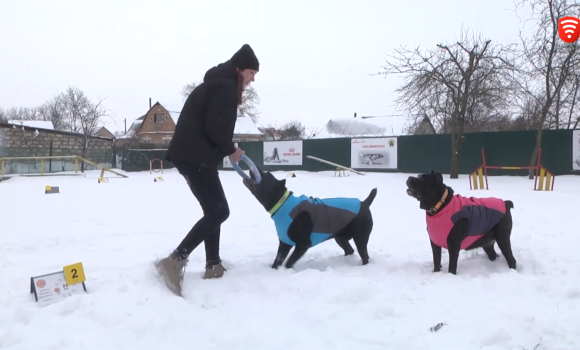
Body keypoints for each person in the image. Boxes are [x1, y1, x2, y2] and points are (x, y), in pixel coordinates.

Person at [155, 44, 259, 296]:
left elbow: (214, 125)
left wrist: (226, 147)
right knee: (219, 211)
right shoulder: (225, 86)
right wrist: (230, 149)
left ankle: (213, 264)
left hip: (196, 156)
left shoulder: (219, 84)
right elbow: (217, 127)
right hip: (195, 156)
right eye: (251, 73)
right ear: (240, 68)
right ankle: (175, 261)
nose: (252, 79)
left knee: (214, 210)